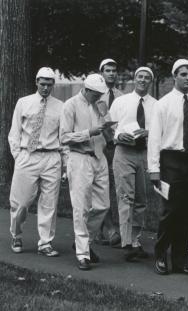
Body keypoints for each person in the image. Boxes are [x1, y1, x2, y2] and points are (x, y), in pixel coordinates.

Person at [148, 59, 188, 275]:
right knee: (170, 211)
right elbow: (154, 138)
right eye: (183, 74)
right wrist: (154, 168)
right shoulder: (162, 104)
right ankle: (161, 255)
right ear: (175, 76)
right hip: (170, 160)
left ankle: (181, 260)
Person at [8, 67, 64, 257]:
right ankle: (16, 234)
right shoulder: (23, 103)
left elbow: (63, 136)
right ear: (36, 82)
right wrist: (19, 155)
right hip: (27, 155)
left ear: (53, 85)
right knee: (21, 202)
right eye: (42, 84)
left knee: (49, 202)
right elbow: (14, 132)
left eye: (49, 84)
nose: (46, 88)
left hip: (51, 156)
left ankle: (45, 243)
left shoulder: (60, 106)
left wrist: (62, 161)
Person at [60, 73, 110, 271]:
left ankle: (83, 242)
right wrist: (88, 133)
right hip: (79, 158)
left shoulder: (100, 105)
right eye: (96, 94)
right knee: (81, 207)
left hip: (99, 157)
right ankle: (83, 253)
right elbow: (63, 137)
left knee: (103, 205)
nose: (99, 97)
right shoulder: (70, 105)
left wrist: (107, 126)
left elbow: (104, 129)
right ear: (86, 89)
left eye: (101, 94)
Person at [109, 66, 156, 261]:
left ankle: (136, 240)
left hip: (144, 153)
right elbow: (109, 127)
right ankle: (126, 243)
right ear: (134, 79)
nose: (143, 80)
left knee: (141, 200)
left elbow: (162, 131)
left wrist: (149, 133)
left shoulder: (156, 105)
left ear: (150, 82)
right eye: (140, 76)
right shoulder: (121, 102)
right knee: (125, 197)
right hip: (124, 152)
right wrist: (120, 135)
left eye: (146, 78)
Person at [96, 58, 123, 248]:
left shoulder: (121, 96)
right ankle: (110, 229)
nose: (111, 73)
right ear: (101, 73)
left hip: (117, 147)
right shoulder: (95, 94)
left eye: (114, 70)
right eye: (108, 70)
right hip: (99, 145)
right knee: (100, 187)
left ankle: (101, 229)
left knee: (114, 189)